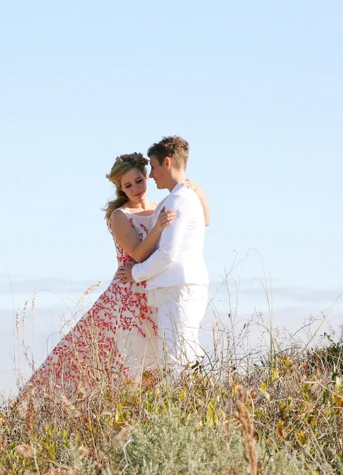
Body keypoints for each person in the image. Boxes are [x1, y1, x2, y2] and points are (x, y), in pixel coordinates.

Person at [22, 151, 207, 396]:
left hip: (156, 292)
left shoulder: (162, 206)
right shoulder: (120, 216)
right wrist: (159, 227)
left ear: (146, 177)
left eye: (139, 181)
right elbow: (139, 254)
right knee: (130, 364)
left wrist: (197, 192)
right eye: (127, 185)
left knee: (165, 360)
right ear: (120, 188)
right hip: (129, 298)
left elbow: (203, 221)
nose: (135, 189)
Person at [131, 135, 209, 373]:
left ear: (167, 162)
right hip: (179, 288)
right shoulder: (181, 197)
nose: (151, 175)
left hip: (178, 289)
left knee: (178, 359)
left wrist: (136, 273)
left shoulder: (178, 199)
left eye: (153, 167)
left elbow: (167, 254)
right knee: (185, 355)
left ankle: (189, 408)